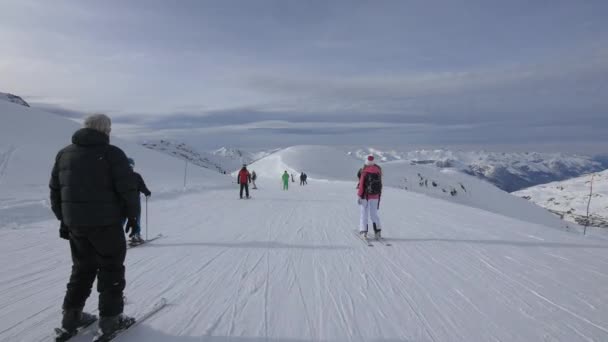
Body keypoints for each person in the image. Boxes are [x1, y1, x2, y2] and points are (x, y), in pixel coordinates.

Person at [50, 114, 138, 341]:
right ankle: (110, 321)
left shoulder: (64, 154)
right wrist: (133, 218)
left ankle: (71, 318)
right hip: (106, 225)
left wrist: (65, 220)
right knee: (111, 269)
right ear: (105, 130)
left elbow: (56, 191)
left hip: (76, 226)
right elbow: (128, 190)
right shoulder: (112, 154)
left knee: (81, 269)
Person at [126, 158, 151, 244]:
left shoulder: (119, 175)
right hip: (134, 202)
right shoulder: (136, 176)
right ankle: (136, 235)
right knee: (136, 218)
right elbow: (142, 187)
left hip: (121, 202)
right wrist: (147, 192)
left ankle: (115, 237)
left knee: (121, 219)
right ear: (132, 165)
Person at [357, 155, 383, 240]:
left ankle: (363, 232)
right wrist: (379, 196)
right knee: (374, 214)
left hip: (365, 196)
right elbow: (380, 185)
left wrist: (359, 196)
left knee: (364, 214)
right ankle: (378, 232)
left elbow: (361, 185)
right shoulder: (378, 170)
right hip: (375, 196)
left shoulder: (364, 171)